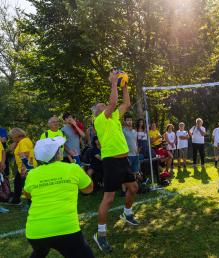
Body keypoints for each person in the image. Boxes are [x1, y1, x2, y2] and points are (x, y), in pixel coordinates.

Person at [91, 69, 139, 253]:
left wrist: (124, 84)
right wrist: (113, 81)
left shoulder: (114, 118)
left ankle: (127, 213)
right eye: (101, 105)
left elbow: (125, 103)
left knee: (133, 188)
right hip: (110, 162)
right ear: (97, 112)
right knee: (109, 198)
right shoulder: (100, 120)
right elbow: (113, 102)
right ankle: (100, 235)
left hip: (123, 160)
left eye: (104, 104)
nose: (104, 105)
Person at [23, 136, 94, 258]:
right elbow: (88, 189)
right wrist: (80, 170)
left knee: (41, 249)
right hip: (66, 229)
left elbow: (28, 195)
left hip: (35, 231)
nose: (61, 150)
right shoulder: (72, 168)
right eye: (59, 148)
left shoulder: (32, 174)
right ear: (57, 154)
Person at [8, 128, 38, 206]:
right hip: (24, 166)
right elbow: (12, 151)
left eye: (12, 137)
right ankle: (16, 200)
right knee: (17, 183)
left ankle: (30, 203)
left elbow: (26, 155)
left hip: (26, 167)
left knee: (26, 186)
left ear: (16, 136)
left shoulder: (23, 142)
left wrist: (23, 169)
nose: (11, 138)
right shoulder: (23, 141)